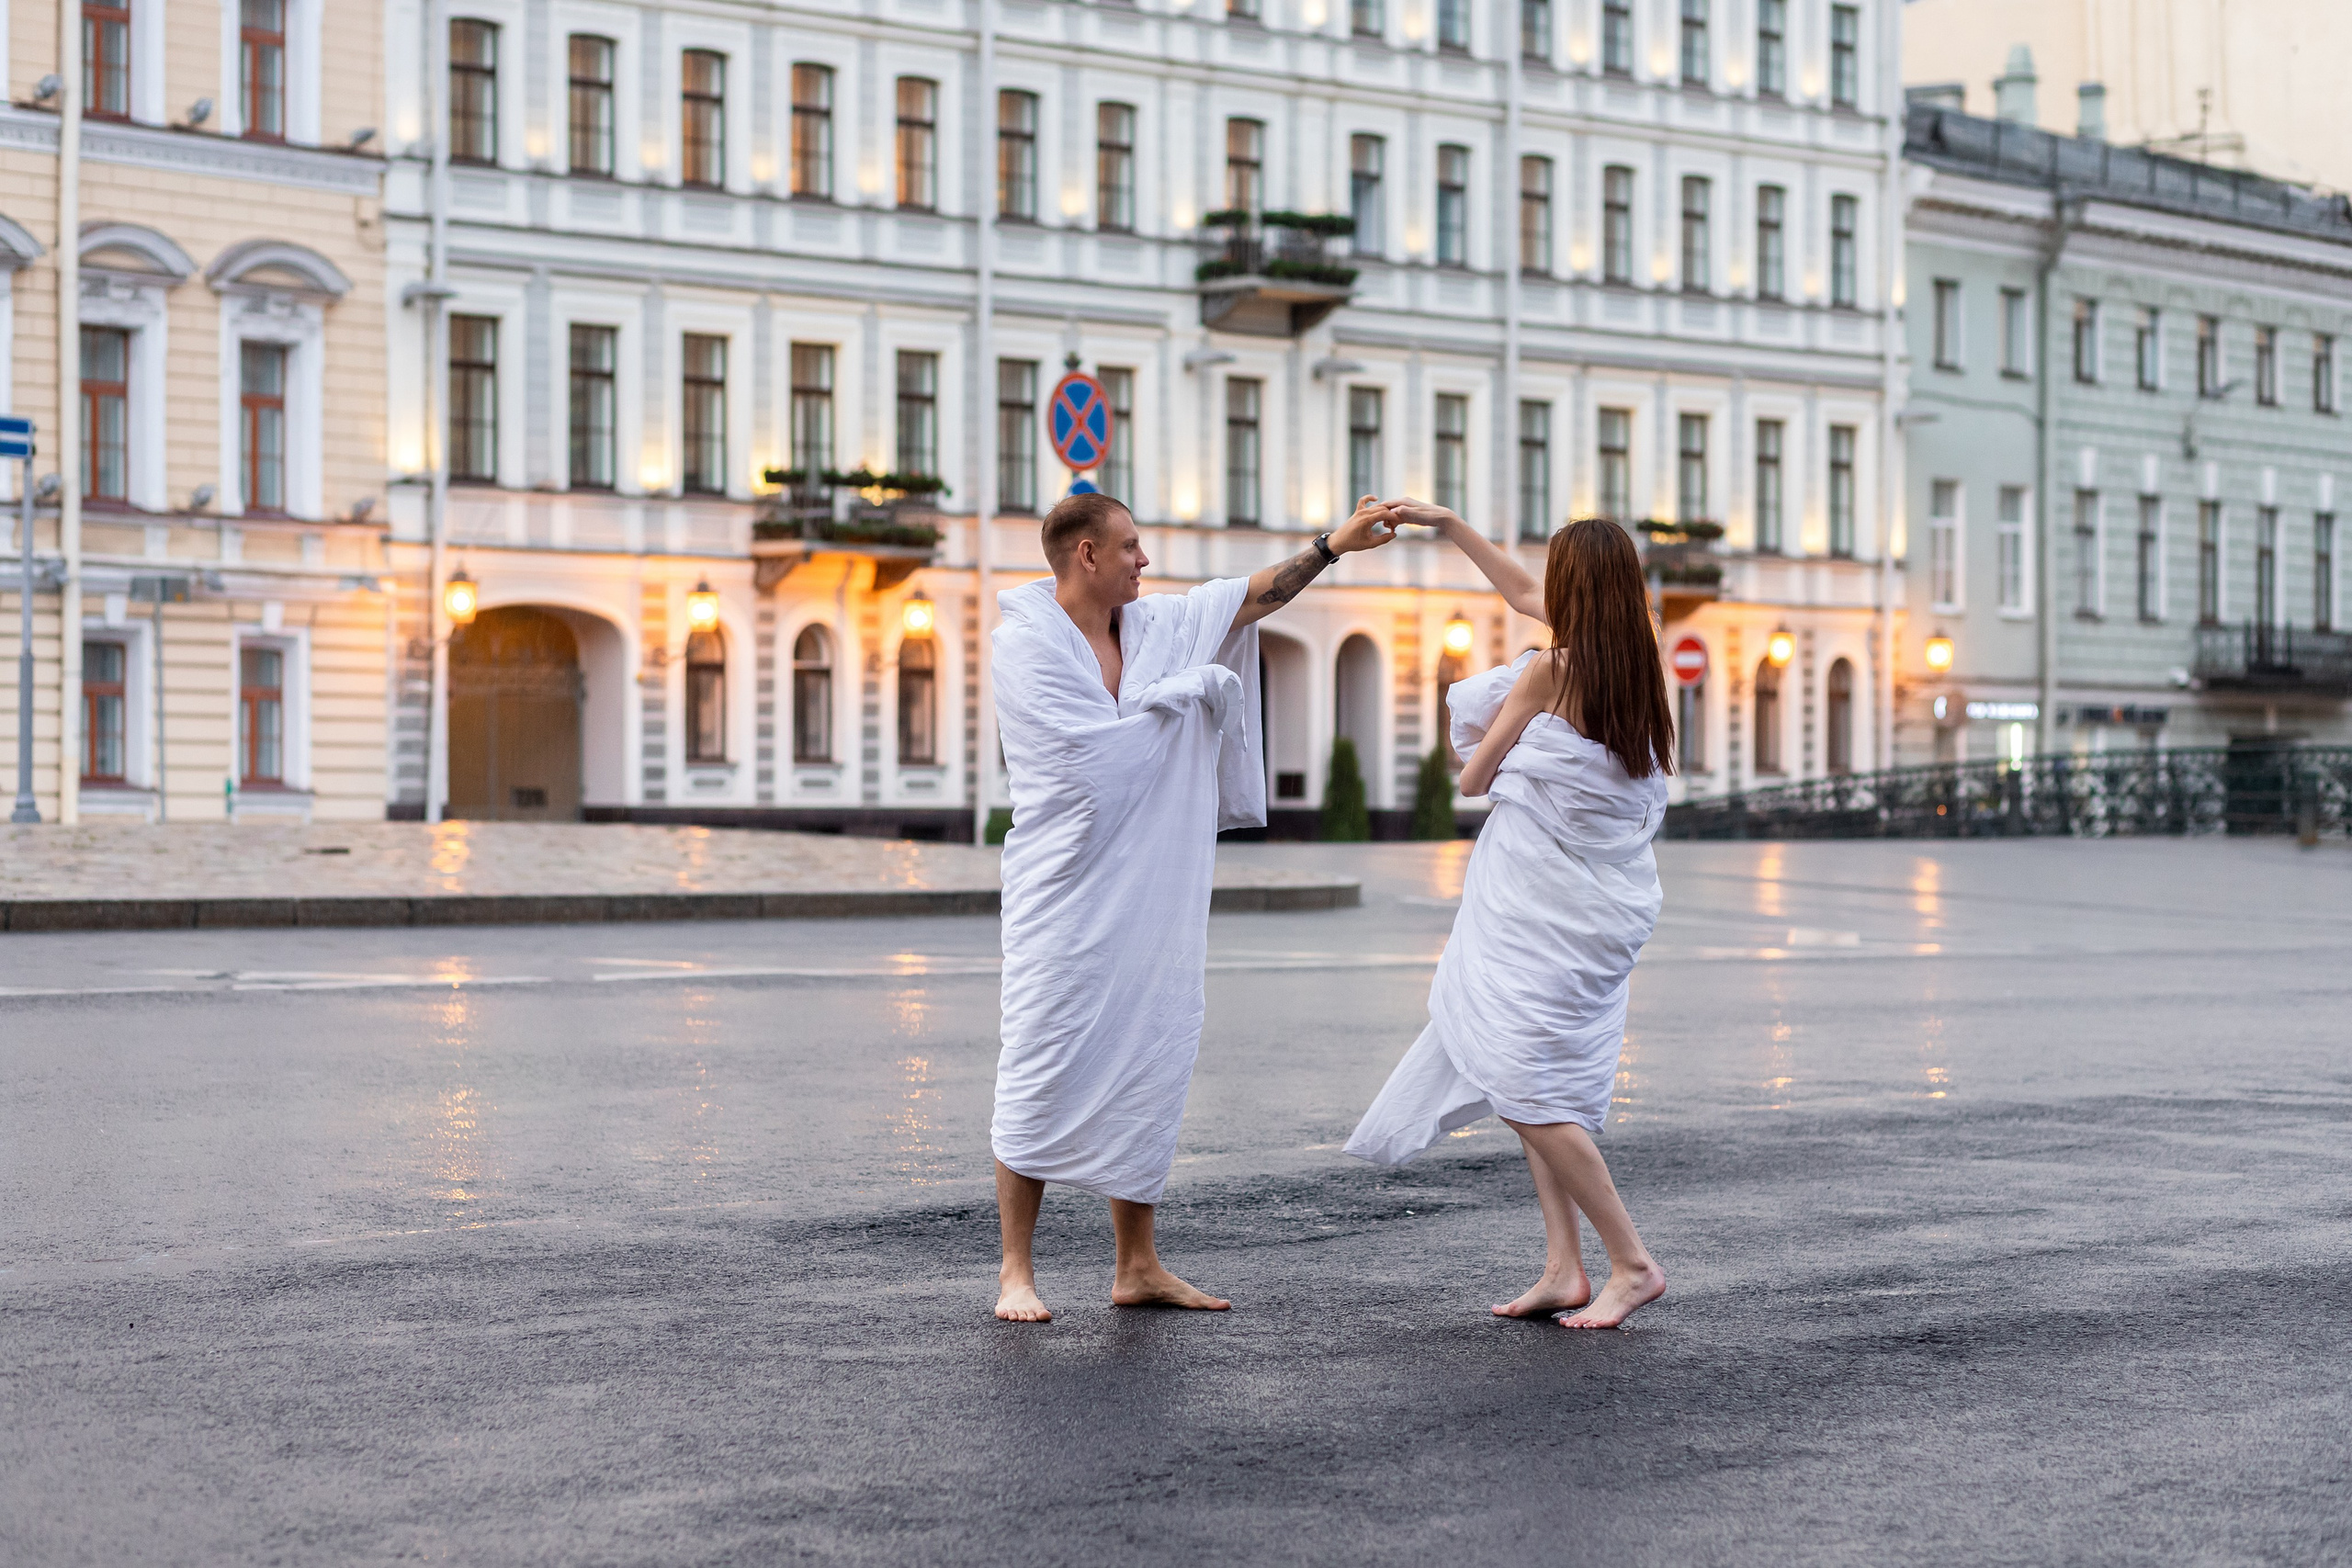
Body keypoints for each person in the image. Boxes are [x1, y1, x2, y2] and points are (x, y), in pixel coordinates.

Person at [990, 491, 1398, 1322]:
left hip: (1151, 891)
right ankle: (1014, 1269)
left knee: (1149, 1049)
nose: (1145, 560)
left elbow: (1255, 596)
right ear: (1086, 556)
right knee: (1040, 1055)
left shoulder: (1153, 631)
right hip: (1061, 892)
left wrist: (1334, 545)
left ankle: (1136, 1263)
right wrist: (1187, 700)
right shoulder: (1024, 644)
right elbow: (1082, 762)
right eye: (1131, 547)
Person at [1346, 508, 1673, 1329]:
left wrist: (1509, 740)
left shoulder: (1547, 670)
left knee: (1523, 1086)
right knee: (1530, 1073)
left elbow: (1473, 778)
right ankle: (1565, 1266)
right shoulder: (1640, 655)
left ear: (1572, 589)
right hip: (1596, 907)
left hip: (1539, 904)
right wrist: (1451, 525)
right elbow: (1522, 589)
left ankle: (1630, 1263)